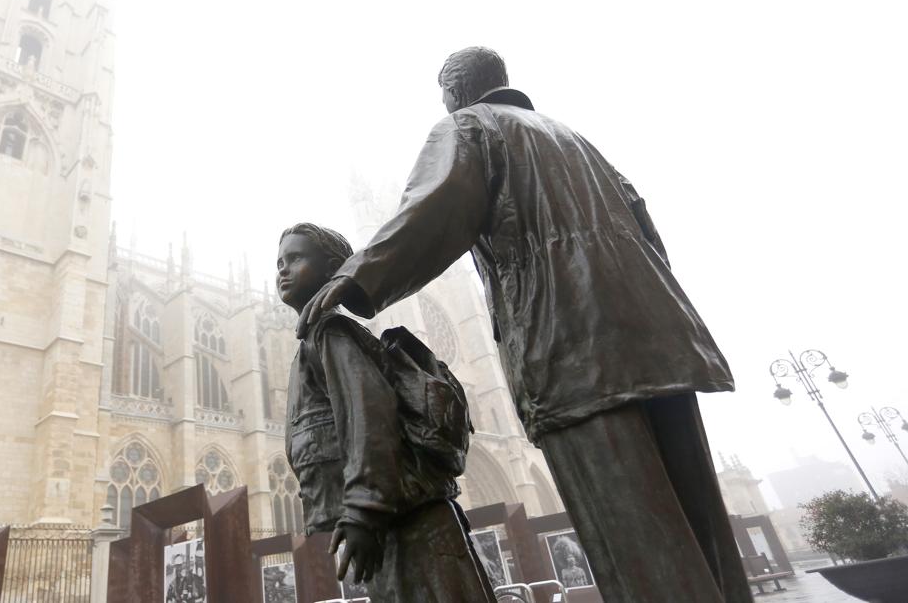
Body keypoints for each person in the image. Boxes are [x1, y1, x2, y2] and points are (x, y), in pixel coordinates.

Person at [297, 47, 754, 602]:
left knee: (632, 533)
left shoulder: (469, 126)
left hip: (570, 350)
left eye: (444, 92)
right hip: (661, 346)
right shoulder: (573, 138)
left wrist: (353, 279)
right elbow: (649, 237)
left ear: (457, 90)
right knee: (698, 519)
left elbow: (433, 209)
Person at [277, 223, 494, 602]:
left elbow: (368, 412)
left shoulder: (330, 332)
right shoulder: (315, 337)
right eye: (280, 261)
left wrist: (364, 509)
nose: (282, 269)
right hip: (397, 520)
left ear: (333, 270)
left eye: (295, 259)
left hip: (402, 519)